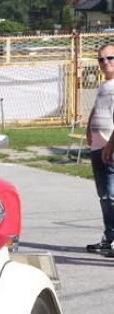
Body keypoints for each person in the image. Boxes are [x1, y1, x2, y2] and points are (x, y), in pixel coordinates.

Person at [89, 43, 114, 255]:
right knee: (104, 196)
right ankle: (109, 237)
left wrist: (110, 146)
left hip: (109, 148)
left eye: (110, 58)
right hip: (98, 147)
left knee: (111, 196)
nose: (105, 63)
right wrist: (89, 129)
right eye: (101, 59)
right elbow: (97, 109)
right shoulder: (104, 85)